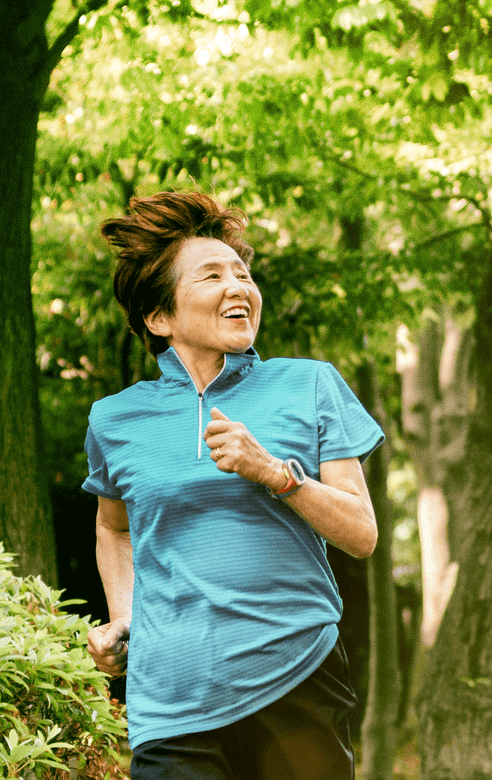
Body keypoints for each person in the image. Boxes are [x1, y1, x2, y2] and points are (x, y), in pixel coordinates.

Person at [81, 191, 384, 780]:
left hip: (294, 678)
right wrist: (124, 616)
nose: (238, 287)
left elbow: (362, 533)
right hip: (169, 700)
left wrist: (275, 474)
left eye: (243, 273)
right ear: (159, 317)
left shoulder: (310, 385)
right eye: (212, 275)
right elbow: (113, 529)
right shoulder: (114, 419)